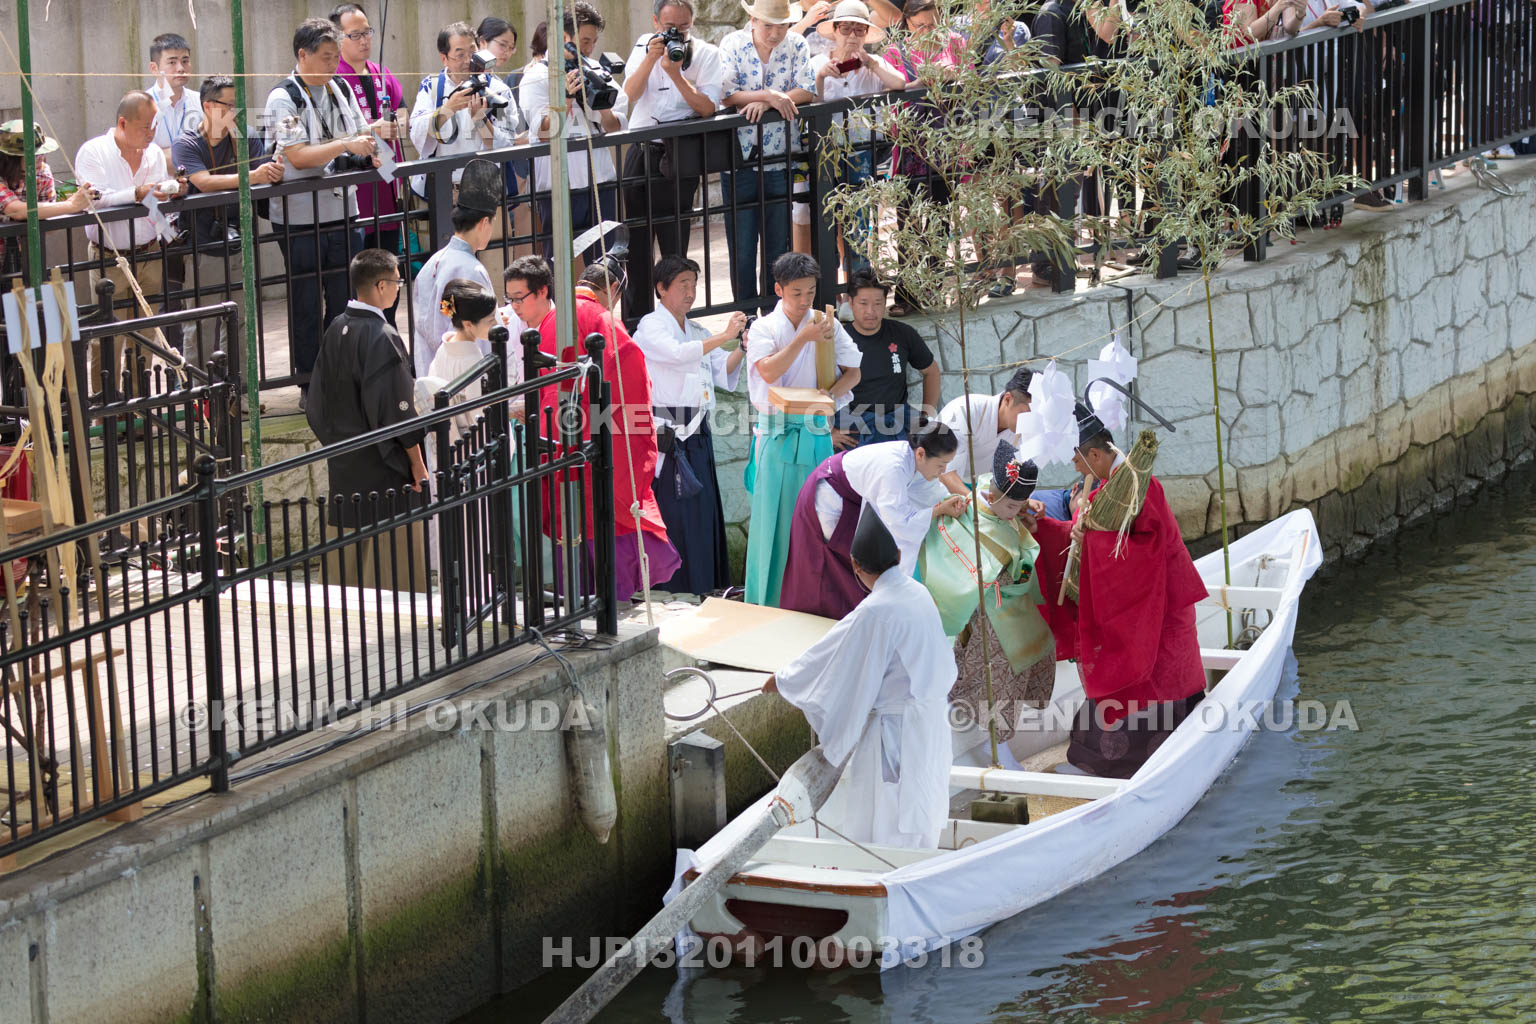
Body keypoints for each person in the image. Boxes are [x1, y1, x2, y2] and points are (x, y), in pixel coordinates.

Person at [1029, 403, 1208, 779]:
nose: (1074, 468)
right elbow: (1089, 536)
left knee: (1155, 681)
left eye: (1077, 460)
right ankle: (1105, 759)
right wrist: (1046, 525)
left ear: (1094, 454)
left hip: (1159, 608)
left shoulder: (1141, 488)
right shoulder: (1109, 485)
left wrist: (1088, 537)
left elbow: (1141, 553)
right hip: (1139, 608)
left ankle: (1134, 764)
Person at [764, 505, 956, 849]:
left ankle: (884, 871)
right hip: (931, 719)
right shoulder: (917, 592)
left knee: (888, 808)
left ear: (855, 565)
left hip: (896, 727)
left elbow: (831, 652)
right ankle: (916, 859)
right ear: (898, 555)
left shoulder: (876, 610)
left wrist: (783, 680)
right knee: (920, 798)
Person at [533, 260, 683, 603]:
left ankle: (575, 599)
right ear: (613, 289)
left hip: (557, 432)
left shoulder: (551, 318)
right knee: (607, 516)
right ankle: (608, 605)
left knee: (569, 519)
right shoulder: (603, 319)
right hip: (597, 435)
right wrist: (641, 434)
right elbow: (631, 378)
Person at [263, 18, 379, 410]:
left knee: (345, 297)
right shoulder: (283, 97)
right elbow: (297, 155)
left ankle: (342, 375)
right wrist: (345, 144)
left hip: (343, 207)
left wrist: (372, 141)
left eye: (335, 57)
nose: (333, 64)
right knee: (307, 302)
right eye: (326, 57)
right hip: (299, 216)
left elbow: (361, 131)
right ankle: (309, 382)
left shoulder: (340, 85)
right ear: (302, 55)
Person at [921, 440, 1056, 758]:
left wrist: (1021, 519)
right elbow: (948, 558)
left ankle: (998, 737)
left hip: (1013, 605)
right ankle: (998, 744)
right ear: (993, 496)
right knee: (1000, 667)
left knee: (1039, 648)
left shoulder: (1002, 510)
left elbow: (1015, 533)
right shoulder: (968, 511)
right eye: (1013, 506)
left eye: (1022, 505)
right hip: (985, 608)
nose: (1017, 512)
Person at [305, 248, 429, 591]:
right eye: (397, 281)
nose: (399, 288)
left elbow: (315, 401)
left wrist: (335, 441)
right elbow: (397, 410)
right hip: (382, 465)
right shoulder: (382, 336)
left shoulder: (336, 328)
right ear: (379, 286)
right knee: (390, 562)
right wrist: (417, 464)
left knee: (346, 563)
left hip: (343, 459)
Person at [742, 252, 862, 607]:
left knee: (820, 520)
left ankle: (813, 602)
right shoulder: (764, 328)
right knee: (772, 524)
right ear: (779, 289)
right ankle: (767, 603)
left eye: (810, 291)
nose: (805, 299)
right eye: (796, 292)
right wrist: (803, 339)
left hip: (815, 430)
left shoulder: (827, 321)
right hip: (777, 431)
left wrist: (830, 396)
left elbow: (853, 370)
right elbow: (767, 372)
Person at [632, 256, 747, 596]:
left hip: (698, 430)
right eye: (682, 283)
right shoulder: (651, 326)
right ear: (661, 288)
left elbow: (721, 372)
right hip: (668, 432)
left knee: (703, 511)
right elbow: (678, 354)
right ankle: (673, 586)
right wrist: (725, 334)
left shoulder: (696, 329)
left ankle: (707, 585)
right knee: (675, 514)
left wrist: (739, 346)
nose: (690, 291)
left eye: (693, 284)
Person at [781, 423, 965, 619]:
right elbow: (899, 524)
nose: (943, 471)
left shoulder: (912, 460)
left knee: (860, 570)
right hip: (829, 498)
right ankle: (830, 621)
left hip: (851, 498)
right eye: (940, 465)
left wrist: (953, 501)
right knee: (845, 565)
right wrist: (938, 511)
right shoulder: (893, 467)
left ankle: (854, 619)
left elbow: (929, 492)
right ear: (921, 453)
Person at [620, 0, 726, 318]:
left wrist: (676, 74)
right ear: (655, 22)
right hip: (641, 150)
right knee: (636, 244)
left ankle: (675, 318)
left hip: (680, 153)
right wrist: (652, 58)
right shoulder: (643, 46)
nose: (676, 33)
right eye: (669, 27)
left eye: (683, 27)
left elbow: (708, 107)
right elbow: (631, 93)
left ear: (692, 23)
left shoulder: (706, 54)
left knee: (675, 242)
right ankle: (636, 323)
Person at [74, 91, 186, 391]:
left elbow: (154, 201)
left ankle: (139, 408)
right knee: (107, 337)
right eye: (145, 126)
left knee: (146, 334)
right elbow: (92, 200)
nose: (151, 133)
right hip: (108, 257)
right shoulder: (93, 151)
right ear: (123, 123)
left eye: (154, 126)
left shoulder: (152, 155)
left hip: (149, 252)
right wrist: (136, 193)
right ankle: (106, 408)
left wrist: (169, 196)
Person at [173, 76, 283, 369]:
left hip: (240, 237)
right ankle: (200, 400)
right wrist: (252, 177)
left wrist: (274, 170)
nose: (236, 112)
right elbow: (204, 183)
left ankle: (241, 393)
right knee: (201, 323)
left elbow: (263, 174)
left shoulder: (245, 136)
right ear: (208, 106)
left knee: (241, 320)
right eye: (229, 105)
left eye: (238, 105)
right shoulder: (187, 143)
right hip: (201, 243)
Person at [720, 0, 817, 312]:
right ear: (752, 18)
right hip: (738, 159)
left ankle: (776, 312)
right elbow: (725, 93)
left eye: (782, 25)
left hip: (781, 156)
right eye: (768, 25)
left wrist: (771, 102)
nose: (776, 32)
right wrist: (767, 95)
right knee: (742, 246)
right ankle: (745, 317)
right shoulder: (732, 43)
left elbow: (807, 89)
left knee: (778, 244)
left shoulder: (797, 43)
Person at [518, 3, 628, 263]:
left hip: (600, 176)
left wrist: (601, 106)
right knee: (559, 261)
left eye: (593, 41)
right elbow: (543, 131)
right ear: (563, 38)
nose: (589, 49)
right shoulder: (536, 75)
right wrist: (566, 99)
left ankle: (601, 305)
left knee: (606, 258)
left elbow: (616, 124)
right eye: (585, 41)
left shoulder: (598, 71)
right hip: (558, 183)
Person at [808, 1, 904, 277]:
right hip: (825, 153)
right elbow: (809, 101)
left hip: (862, 152)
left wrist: (871, 62)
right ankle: (829, 289)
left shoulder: (872, 65)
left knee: (860, 222)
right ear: (835, 30)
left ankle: (858, 281)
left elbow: (898, 84)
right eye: (846, 29)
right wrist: (822, 76)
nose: (852, 36)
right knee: (825, 222)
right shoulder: (817, 62)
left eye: (859, 30)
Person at [884, 0, 966, 317]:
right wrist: (920, 82)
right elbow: (892, 94)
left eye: (932, 25)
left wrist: (950, 73)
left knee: (940, 219)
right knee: (908, 222)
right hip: (909, 148)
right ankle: (905, 294)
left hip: (946, 147)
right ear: (907, 24)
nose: (928, 31)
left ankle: (931, 287)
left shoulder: (955, 43)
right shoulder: (895, 52)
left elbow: (968, 80)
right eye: (921, 26)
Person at [332, 3, 407, 284]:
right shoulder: (334, 77)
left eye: (367, 32)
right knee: (359, 271)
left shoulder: (380, 72)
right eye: (355, 35)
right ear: (338, 37)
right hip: (355, 183)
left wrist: (396, 123)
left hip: (386, 179)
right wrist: (372, 128)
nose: (364, 40)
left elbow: (403, 110)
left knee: (388, 265)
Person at [408, 21, 522, 201]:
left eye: (472, 52)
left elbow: (506, 145)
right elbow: (417, 132)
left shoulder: (498, 90)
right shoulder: (432, 86)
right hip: (445, 188)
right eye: (460, 55)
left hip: (486, 188)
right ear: (444, 58)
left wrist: (480, 120)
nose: (468, 61)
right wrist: (448, 109)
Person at [411, 159, 502, 378]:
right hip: (465, 374)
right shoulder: (472, 270)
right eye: (493, 222)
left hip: (433, 371)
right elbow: (477, 335)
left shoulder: (432, 263)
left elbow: (425, 330)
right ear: (483, 223)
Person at [834, 271, 938, 449]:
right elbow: (819, 389)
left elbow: (932, 371)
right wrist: (830, 431)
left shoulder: (902, 333)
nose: (870, 311)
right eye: (863, 303)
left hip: (899, 423)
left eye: (877, 303)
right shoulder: (839, 339)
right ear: (850, 303)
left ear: (885, 303)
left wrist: (926, 417)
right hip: (854, 428)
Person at [421, 278, 501, 445]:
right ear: (469, 324)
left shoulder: (444, 349)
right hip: (472, 452)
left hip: (447, 445)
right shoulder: (472, 361)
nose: (496, 323)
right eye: (491, 319)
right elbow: (480, 416)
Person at [936, 367, 1032, 492]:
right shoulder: (964, 410)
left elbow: (1010, 478)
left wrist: (1024, 502)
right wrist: (977, 504)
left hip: (978, 488)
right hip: (935, 486)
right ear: (1008, 399)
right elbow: (945, 473)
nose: (1029, 422)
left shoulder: (1025, 429)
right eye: (1026, 414)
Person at [147, 33, 196, 152]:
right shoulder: (142, 105)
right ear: (154, 68)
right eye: (172, 62)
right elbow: (142, 157)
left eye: (185, 61)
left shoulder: (201, 101)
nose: (181, 68)